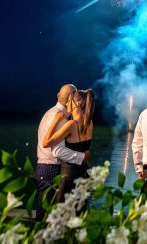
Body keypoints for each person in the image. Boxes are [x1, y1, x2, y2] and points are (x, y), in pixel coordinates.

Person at [34, 84, 89, 220]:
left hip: (44, 167)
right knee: (45, 214)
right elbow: (57, 151)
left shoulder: (52, 112)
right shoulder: (61, 117)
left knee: (46, 212)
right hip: (51, 168)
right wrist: (81, 156)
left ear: (58, 95)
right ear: (72, 99)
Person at [42, 88, 95, 203]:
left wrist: (56, 121)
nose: (66, 104)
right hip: (84, 172)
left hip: (69, 174)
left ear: (78, 104)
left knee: (63, 207)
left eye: (69, 101)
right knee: (79, 208)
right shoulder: (89, 123)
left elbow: (46, 143)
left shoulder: (71, 124)